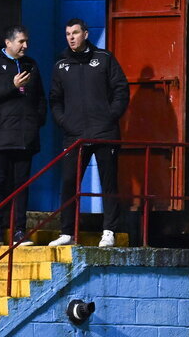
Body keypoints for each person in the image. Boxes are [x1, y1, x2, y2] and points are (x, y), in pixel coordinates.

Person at [48, 18, 130, 249]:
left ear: (86, 33)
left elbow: (121, 90)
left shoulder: (104, 58)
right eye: (67, 34)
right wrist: (64, 121)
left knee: (109, 183)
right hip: (75, 135)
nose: (71, 37)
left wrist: (109, 115)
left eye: (75, 33)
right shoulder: (61, 64)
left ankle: (109, 231)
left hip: (104, 132)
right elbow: (55, 99)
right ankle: (67, 233)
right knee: (68, 182)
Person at [0, 24, 47, 249]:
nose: (25, 46)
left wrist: (36, 122)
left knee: (21, 185)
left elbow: (40, 98)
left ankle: (19, 231)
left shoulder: (31, 65)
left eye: (27, 42)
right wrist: (12, 85)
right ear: (8, 43)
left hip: (25, 138)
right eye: (21, 42)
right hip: (0, 137)